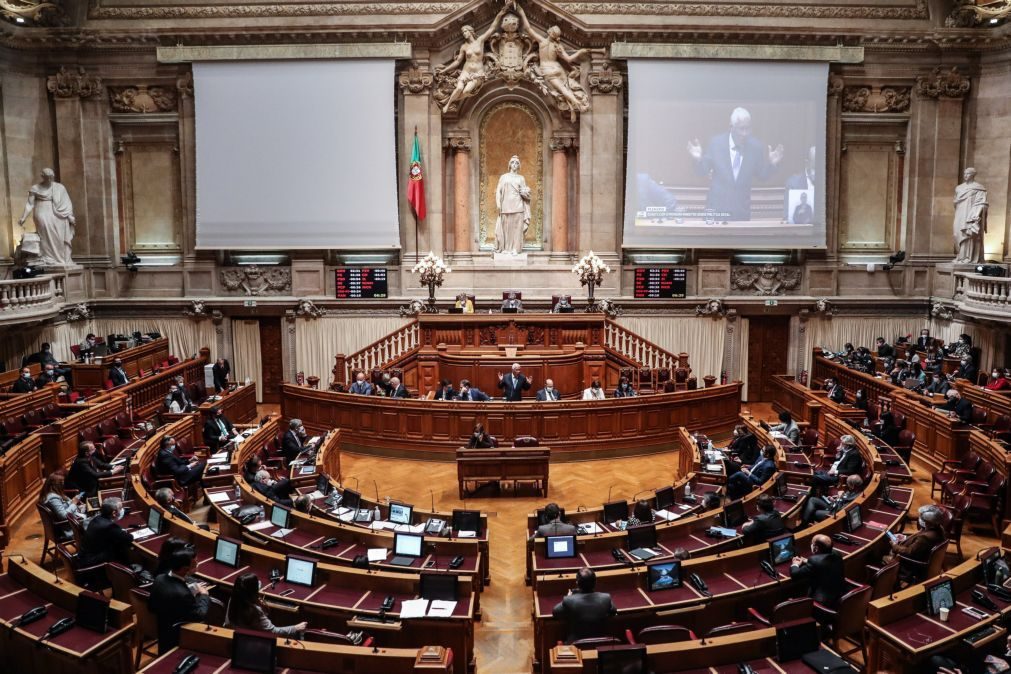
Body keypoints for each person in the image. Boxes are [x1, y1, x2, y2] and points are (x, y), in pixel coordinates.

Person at [686, 107, 784, 221]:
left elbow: (762, 175)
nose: (745, 133)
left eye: (748, 128)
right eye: (741, 129)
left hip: (741, 212)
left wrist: (772, 165)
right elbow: (702, 171)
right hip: (717, 211)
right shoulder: (716, 144)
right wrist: (698, 159)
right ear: (731, 127)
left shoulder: (755, 147)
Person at [149, 547, 210, 654]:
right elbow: (200, 614)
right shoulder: (183, 594)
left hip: (161, 626)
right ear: (184, 569)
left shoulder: (159, 578)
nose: (197, 564)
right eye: (195, 563)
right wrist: (204, 595)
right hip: (176, 635)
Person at [17, 168, 76, 267]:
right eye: (47, 177)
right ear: (42, 177)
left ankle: (60, 259)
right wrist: (23, 217)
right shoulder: (35, 188)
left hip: (58, 213)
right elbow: (30, 204)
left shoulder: (60, 187)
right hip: (42, 212)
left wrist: (69, 215)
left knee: (59, 236)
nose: (50, 180)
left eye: (51, 177)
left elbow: (66, 203)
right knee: (45, 234)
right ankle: (47, 256)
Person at [225, 572, 307, 636]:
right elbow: (273, 632)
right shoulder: (255, 611)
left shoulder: (233, 599)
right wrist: (295, 628)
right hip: (254, 642)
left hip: (237, 637)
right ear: (254, 591)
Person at [551, 568, 617, 643]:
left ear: (577, 583)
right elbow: (613, 611)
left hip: (576, 645)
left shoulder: (569, 600)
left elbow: (555, 612)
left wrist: (569, 597)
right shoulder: (605, 598)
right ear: (595, 582)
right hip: (601, 643)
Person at [790, 534, 845, 607]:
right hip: (839, 593)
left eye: (812, 544)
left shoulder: (814, 560)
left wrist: (795, 564)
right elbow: (824, 564)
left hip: (822, 602)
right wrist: (807, 561)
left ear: (816, 548)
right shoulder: (837, 554)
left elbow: (795, 575)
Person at [494, 156, 532, 255]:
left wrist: (526, 192)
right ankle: (506, 248)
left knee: (517, 229)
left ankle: (516, 248)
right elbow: (498, 190)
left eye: (516, 163)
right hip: (506, 205)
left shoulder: (521, 178)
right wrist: (498, 203)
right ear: (509, 164)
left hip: (518, 206)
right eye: (513, 163)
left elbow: (524, 192)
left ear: (519, 166)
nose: (514, 165)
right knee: (506, 228)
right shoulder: (504, 177)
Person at [78, 497, 132, 567]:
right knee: (121, 547)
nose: (122, 510)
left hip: (84, 556)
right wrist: (122, 532)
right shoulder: (110, 526)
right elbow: (129, 538)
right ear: (114, 513)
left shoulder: (96, 519)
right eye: (121, 509)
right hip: (91, 562)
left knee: (116, 543)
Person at [882, 508, 946, 566]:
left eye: (922, 518)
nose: (919, 518)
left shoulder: (924, 538)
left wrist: (895, 546)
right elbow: (917, 543)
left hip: (909, 564)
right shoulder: (938, 528)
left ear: (927, 522)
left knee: (880, 555)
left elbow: (908, 552)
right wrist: (905, 538)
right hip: (921, 555)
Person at [953, 167, 988, 264]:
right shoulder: (959, 188)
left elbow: (983, 203)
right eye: (964, 174)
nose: (965, 176)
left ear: (973, 175)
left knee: (969, 235)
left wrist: (976, 213)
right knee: (956, 234)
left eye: (967, 174)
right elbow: (955, 202)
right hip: (960, 214)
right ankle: (960, 255)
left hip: (971, 215)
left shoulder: (979, 188)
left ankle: (966, 258)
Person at [38, 471, 84, 538]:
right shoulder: (53, 498)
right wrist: (74, 504)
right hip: (69, 529)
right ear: (57, 485)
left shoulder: (50, 494)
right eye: (62, 483)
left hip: (70, 523)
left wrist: (71, 502)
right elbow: (64, 516)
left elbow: (62, 507)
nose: (64, 485)